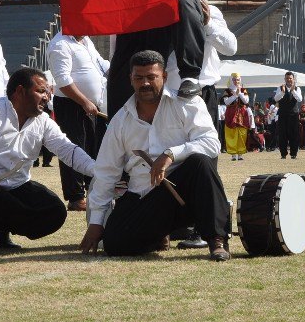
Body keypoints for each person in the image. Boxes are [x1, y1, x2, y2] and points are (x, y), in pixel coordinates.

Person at [80, 50, 230, 261]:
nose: (145, 84)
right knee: (115, 243)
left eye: (152, 77)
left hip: (184, 192)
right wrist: (96, 223)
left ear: (164, 77)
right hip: (144, 195)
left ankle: (217, 241)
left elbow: (211, 143)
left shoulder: (187, 103)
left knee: (201, 163)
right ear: (130, 79)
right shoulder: (120, 120)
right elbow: (106, 171)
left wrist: (170, 154)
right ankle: (158, 234)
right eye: (139, 78)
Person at [0, 68, 97, 253]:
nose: (47, 97)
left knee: (55, 212)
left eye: (48, 92)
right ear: (20, 91)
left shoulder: (44, 121)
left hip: (17, 185)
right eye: (41, 91)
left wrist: (98, 171)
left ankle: (2, 230)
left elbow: (67, 150)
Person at [48, 30, 109, 211]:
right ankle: (75, 197)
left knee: (92, 146)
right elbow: (63, 80)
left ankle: (92, 188)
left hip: (93, 106)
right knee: (73, 148)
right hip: (72, 105)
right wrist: (84, 101)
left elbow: (101, 64)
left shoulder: (86, 41)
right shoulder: (60, 44)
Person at [165, 0, 238, 133]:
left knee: (205, 148)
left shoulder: (207, 10)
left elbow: (230, 48)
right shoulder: (158, 11)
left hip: (202, 90)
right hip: (168, 95)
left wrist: (208, 24)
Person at [274, 72, 303, 159]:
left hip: (293, 115)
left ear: (293, 79)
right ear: (285, 79)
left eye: (290, 78)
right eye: (287, 78)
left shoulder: (297, 88)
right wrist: (282, 92)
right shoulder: (280, 88)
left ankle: (293, 154)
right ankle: (283, 154)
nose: (289, 80)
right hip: (283, 114)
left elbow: (299, 99)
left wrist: (293, 90)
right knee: (282, 134)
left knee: (294, 134)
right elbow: (276, 99)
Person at [223, 73, 250, 161]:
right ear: (231, 80)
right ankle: (233, 154)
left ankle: (240, 153)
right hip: (231, 114)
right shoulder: (227, 91)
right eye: (234, 79)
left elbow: (246, 101)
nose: (236, 81)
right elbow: (226, 102)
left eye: (237, 79)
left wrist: (239, 93)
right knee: (231, 133)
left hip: (242, 114)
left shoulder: (243, 89)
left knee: (242, 133)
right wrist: (235, 95)